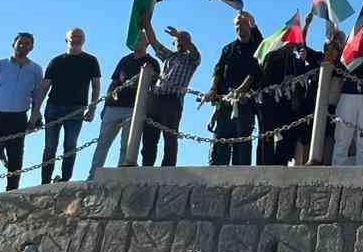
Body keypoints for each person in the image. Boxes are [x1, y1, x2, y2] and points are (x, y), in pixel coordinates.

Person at [0, 33, 44, 193]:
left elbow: (37, 95)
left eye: (27, 44)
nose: (23, 46)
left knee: (15, 156)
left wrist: (36, 117)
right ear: (13, 44)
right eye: (20, 43)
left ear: (32, 47)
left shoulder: (35, 69)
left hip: (18, 117)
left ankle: (12, 189)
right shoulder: (0, 64)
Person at [90, 34, 159, 179]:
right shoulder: (125, 60)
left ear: (147, 43)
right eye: (136, 38)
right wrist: (105, 105)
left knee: (126, 146)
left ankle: (121, 177)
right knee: (103, 143)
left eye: (140, 39)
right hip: (113, 107)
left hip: (133, 109)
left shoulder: (152, 62)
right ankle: (93, 175)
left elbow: (152, 87)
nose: (137, 41)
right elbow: (114, 82)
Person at [38, 28, 101, 184]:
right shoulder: (56, 61)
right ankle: (45, 181)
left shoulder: (91, 61)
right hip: (53, 107)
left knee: (70, 144)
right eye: (73, 37)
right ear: (67, 40)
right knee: (50, 146)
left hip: (76, 108)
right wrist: (35, 111)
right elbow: (45, 87)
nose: (76, 39)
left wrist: (92, 108)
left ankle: (65, 179)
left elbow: (96, 86)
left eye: (80, 37)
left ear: (84, 40)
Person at [205, 12, 263, 167]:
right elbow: (217, 71)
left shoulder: (256, 47)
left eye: (242, 24)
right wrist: (212, 89)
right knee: (219, 145)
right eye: (237, 25)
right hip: (224, 103)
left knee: (242, 148)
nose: (239, 27)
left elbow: (254, 72)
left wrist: (241, 89)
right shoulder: (228, 49)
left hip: (244, 104)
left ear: (249, 26)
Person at [258, 31, 321, 167]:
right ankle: (266, 166)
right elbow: (265, 81)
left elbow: (307, 74)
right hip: (272, 105)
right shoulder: (272, 56)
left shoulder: (296, 60)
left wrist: (304, 60)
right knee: (268, 139)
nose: (292, 45)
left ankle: (281, 164)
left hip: (289, 108)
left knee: (286, 141)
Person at [144, 24, 200, 168]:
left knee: (169, 137)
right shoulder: (169, 56)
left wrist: (179, 36)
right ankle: (146, 167)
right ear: (174, 43)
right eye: (178, 40)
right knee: (149, 137)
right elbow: (153, 42)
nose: (181, 42)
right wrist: (147, 23)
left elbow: (193, 51)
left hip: (172, 101)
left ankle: (167, 168)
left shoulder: (192, 60)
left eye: (184, 39)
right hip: (156, 98)